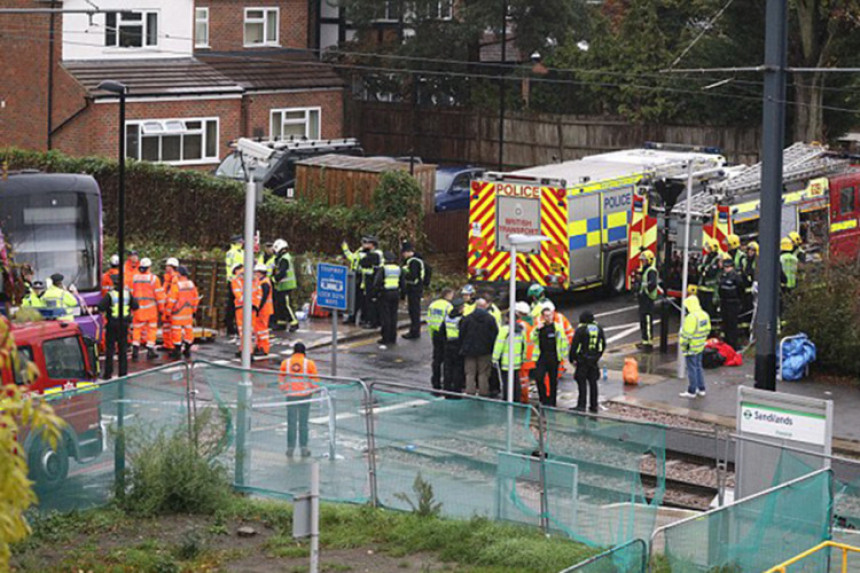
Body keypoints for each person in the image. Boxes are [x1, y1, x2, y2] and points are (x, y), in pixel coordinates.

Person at [279, 342, 318, 458]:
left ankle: (290, 448)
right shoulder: (309, 363)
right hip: (305, 396)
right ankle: (304, 448)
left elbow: (281, 379)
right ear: (304, 352)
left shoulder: (286, 363)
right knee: (303, 423)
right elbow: (315, 381)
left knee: (291, 422)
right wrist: (313, 390)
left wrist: (285, 389)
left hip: (291, 395)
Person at [98, 274, 138, 379]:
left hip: (112, 324)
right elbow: (136, 306)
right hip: (124, 325)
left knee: (110, 350)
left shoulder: (110, 295)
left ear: (114, 283)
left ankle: (108, 374)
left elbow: (101, 307)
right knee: (123, 350)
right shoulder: (127, 294)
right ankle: (123, 373)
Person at [531, 305, 569, 407]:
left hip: (554, 357)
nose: (549, 317)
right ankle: (543, 398)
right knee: (539, 378)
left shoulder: (557, 328)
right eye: (546, 316)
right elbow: (532, 338)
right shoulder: (539, 328)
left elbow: (563, 342)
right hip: (541, 357)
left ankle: (552, 401)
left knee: (553, 381)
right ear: (543, 317)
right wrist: (536, 330)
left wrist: (563, 357)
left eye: (550, 315)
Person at [459, 298, 498, 397]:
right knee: (483, 373)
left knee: (470, 373)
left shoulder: (468, 318)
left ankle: (470, 391)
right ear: (484, 306)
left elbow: (461, 333)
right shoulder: (490, 319)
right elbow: (494, 334)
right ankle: (483, 392)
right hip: (485, 351)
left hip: (469, 350)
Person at [570, 310, 606, 413]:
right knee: (593, 383)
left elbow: (575, 346)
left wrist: (573, 359)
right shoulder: (598, 329)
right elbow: (602, 345)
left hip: (582, 361)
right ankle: (593, 405)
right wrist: (596, 357)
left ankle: (581, 405)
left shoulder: (581, 330)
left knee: (581, 383)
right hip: (593, 361)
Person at [131, 258, 164, 360]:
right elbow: (159, 295)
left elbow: (131, 292)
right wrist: (162, 309)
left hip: (137, 309)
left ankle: (135, 350)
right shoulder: (154, 279)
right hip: (150, 309)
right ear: (149, 267)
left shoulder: (135, 278)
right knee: (152, 329)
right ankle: (150, 350)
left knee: (137, 329)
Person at [492, 308, 528, 402]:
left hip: (506, 361)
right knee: (516, 381)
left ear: (508, 318)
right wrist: (523, 358)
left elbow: (499, 344)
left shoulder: (505, 330)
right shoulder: (520, 329)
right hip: (516, 361)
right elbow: (524, 344)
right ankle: (516, 399)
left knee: (506, 382)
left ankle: (507, 399)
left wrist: (494, 358)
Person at [679, 294, 711, 398]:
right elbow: (708, 329)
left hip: (691, 347)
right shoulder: (704, 315)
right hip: (700, 345)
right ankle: (701, 388)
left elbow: (686, 335)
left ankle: (692, 390)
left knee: (691, 368)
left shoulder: (691, 317)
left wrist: (683, 345)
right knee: (698, 367)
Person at [167, 266, 199, 360]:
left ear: (179, 274)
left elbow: (172, 300)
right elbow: (196, 298)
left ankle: (177, 351)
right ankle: (187, 349)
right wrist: (194, 310)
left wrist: (168, 312)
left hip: (178, 312)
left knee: (176, 331)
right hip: (188, 312)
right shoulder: (191, 284)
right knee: (188, 330)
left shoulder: (177, 285)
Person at [231, 263, 262, 357]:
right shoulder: (255, 279)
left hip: (242, 309)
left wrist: (246, 304)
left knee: (243, 331)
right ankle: (242, 349)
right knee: (249, 331)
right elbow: (259, 294)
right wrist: (255, 305)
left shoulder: (236, 281)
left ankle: (248, 352)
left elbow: (238, 295)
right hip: (252, 308)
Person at [427, 288, 454, 392]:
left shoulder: (433, 305)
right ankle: (446, 382)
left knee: (436, 360)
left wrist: (431, 335)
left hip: (435, 334)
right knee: (447, 360)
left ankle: (436, 381)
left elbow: (429, 320)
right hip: (445, 335)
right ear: (447, 295)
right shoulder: (448, 306)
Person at [374, 251, 402, 346]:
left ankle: (385, 337)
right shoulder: (398, 269)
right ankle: (393, 337)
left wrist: (376, 293)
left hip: (385, 294)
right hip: (395, 293)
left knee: (385, 316)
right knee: (393, 316)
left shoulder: (383, 269)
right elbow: (402, 283)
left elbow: (377, 282)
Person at [272, 239, 299, 332]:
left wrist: (274, 279)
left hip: (286, 286)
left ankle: (294, 322)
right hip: (281, 286)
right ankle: (281, 323)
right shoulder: (282, 258)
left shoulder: (284, 259)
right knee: (280, 305)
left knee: (286, 305)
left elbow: (283, 272)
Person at [400, 242, 425, 340]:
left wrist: (404, 273)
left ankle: (414, 331)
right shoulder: (417, 260)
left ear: (407, 252)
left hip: (414, 289)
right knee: (414, 310)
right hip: (416, 288)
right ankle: (414, 330)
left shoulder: (413, 262)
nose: (403, 255)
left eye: (403, 253)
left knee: (414, 310)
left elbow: (413, 276)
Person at [718, 257, 743, 350]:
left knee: (732, 324)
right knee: (726, 324)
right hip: (724, 302)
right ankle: (727, 342)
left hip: (733, 302)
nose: (726, 269)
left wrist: (739, 301)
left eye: (728, 267)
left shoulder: (736, 276)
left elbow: (740, 289)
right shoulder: (723, 276)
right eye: (725, 267)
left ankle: (734, 344)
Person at [636, 250, 659, 351]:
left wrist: (645, 290)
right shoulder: (645, 270)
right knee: (643, 320)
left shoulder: (651, 271)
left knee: (647, 320)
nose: (643, 262)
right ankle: (644, 340)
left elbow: (652, 284)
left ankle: (648, 343)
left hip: (648, 299)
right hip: (643, 298)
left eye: (644, 260)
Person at [442, 298, 466, 396]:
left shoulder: (447, 317)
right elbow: (464, 333)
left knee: (448, 367)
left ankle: (446, 388)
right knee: (457, 368)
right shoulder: (461, 319)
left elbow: (442, 331)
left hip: (448, 344)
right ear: (460, 308)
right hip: (457, 345)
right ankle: (456, 389)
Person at [359, 236, 384, 328]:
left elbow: (362, 262)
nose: (364, 245)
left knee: (371, 302)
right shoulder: (376, 253)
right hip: (371, 279)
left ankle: (372, 322)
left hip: (372, 280)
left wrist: (363, 255)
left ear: (372, 245)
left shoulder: (374, 254)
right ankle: (374, 321)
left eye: (366, 243)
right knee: (372, 302)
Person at [224, 236, 244, 336]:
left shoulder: (241, 252)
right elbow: (231, 266)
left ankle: (235, 325)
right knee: (232, 304)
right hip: (234, 280)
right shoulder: (232, 253)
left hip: (240, 281)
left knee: (237, 304)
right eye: (240, 241)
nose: (242, 242)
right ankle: (230, 326)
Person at [697, 238, 722, 318]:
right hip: (702, 288)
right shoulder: (705, 257)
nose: (708, 250)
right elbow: (698, 267)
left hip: (712, 290)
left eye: (710, 248)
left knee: (711, 312)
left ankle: (712, 329)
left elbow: (711, 273)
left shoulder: (718, 259)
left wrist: (704, 269)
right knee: (701, 310)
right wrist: (704, 269)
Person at [254, 263, 273, 356]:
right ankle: (259, 346)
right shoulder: (261, 282)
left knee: (262, 330)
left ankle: (264, 348)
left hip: (264, 310)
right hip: (262, 309)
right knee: (258, 329)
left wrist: (258, 308)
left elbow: (263, 298)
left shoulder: (265, 283)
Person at [161, 257, 179, 353]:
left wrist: (168, 309)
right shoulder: (167, 279)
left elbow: (173, 295)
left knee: (172, 327)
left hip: (172, 307)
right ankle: (167, 344)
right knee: (166, 326)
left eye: (167, 266)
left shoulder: (175, 279)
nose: (166, 268)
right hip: (166, 305)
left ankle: (171, 345)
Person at [740, 241, 759, 330]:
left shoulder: (758, 261)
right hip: (744, 288)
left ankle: (749, 329)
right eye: (749, 250)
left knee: (751, 309)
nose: (750, 252)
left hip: (753, 289)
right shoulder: (744, 259)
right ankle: (744, 329)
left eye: (753, 251)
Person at [780, 237, 799, 316]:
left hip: (783, 286)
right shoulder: (795, 259)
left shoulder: (780, 258)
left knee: (782, 306)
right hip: (793, 284)